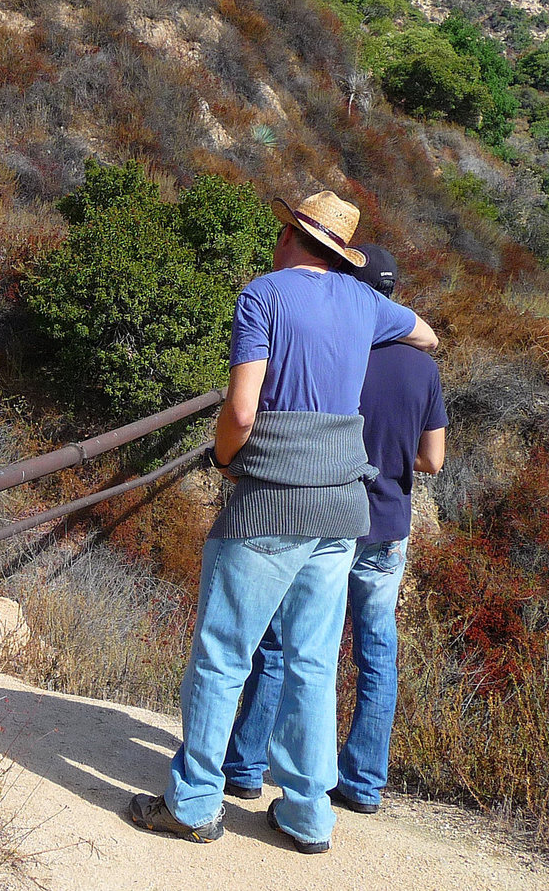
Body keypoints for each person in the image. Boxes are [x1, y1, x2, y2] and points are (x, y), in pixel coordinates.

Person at [128, 192, 438, 853]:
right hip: (342, 504)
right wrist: (370, 333)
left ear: (293, 237)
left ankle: (193, 803)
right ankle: (306, 815)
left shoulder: (262, 295)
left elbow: (242, 411)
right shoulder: (365, 304)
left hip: (273, 496)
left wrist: (224, 457)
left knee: (223, 653)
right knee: (314, 660)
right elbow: (426, 333)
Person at [221, 244, 447, 820]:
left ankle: (245, 767)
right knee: (373, 651)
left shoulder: (340, 350)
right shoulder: (423, 368)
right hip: (388, 522)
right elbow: (434, 461)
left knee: (281, 644)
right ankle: (362, 782)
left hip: (322, 508)